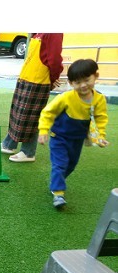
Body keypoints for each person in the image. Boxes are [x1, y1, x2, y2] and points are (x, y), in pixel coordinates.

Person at [37, 59, 109, 209]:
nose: (83, 85)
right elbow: (48, 113)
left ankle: (56, 182)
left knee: (71, 165)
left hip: (77, 139)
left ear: (96, 76)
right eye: (77, 82)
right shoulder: (66, 98)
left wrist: (100, 136)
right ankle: (58, 193)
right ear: (71, 83)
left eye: (87, 80)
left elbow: (100, 118)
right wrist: (43, 130)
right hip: (59, 137)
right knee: (60, 164)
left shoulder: (98, 99)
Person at [1, 33, 63, 162]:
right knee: (17, 114)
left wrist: (53, 78)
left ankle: (28, 152)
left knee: (31, 117)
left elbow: (55, 60)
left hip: (38, 80)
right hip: (26, 77)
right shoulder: (38, 32)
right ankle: (9, 144)